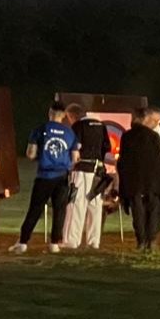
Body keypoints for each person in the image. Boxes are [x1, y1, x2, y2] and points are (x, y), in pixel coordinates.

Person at [11, 101, 78, 254]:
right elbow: (75, 158)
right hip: (62, 177)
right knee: (59, 210)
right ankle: (54, 244)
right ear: (64, 115)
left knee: (35, 209)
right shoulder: (70, 133)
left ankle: (23, 242)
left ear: (50, 112)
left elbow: (30, 154)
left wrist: (40, 157)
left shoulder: (40, 129)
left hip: (44, 176)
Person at [116, 107, 160, 252]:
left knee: (137, 210)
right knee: (153, 209)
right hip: (152, 181)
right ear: (146, 119)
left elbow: (123, 160)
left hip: (134, 180)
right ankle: (151, 239)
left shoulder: (127, 136)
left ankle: (141, 241)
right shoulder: (153, 136)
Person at [64, 103, 110, 251]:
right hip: (98, 171)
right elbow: (107, 148)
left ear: (72, 116)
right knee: (95, 205)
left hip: (82, 169)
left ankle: (72, 240)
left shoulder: (78, 126)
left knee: (77, 204)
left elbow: (75, 148)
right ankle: (93, 242)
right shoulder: (101, 125)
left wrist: (70, 165)